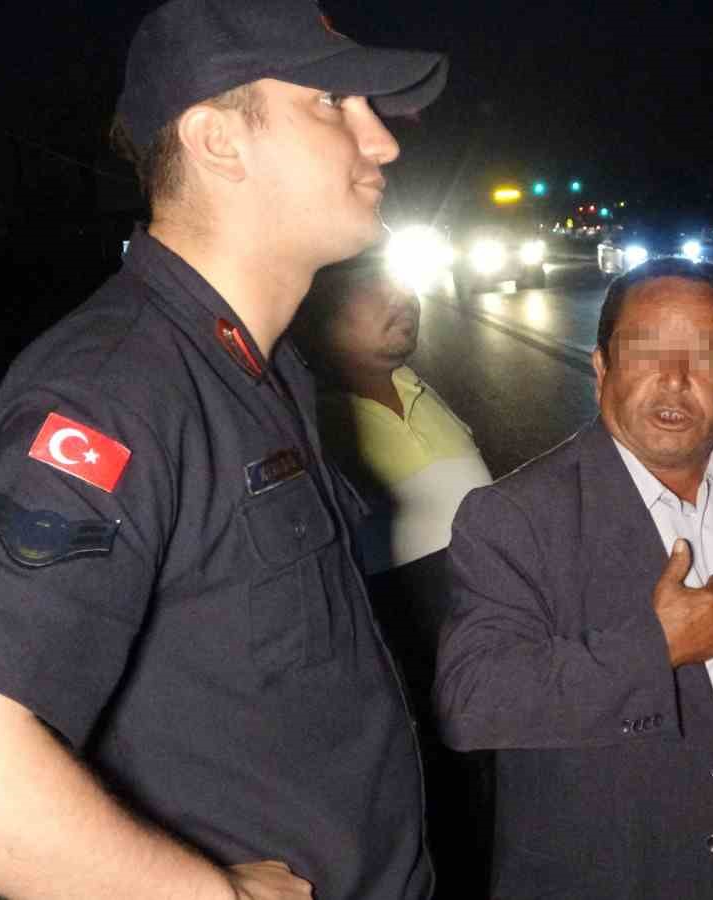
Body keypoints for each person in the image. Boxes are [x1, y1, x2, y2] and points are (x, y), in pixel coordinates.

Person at [0, 2, 448, 898]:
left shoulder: (262, 365)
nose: (384, 141)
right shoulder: (120, 386)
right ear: (218, 140)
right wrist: (213, 894)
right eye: (332, 103)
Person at [435, 256, 713, 899]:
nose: (675, 379)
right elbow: (471, 702)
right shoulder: (516, 515)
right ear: (601, 368)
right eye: (646, 350)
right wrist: (654, 647)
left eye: (706, 357)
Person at [290, 255, 495, 896]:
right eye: (372, 291)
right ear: (316, 315)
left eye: (403, 285)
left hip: (493, 660)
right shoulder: (307, 424)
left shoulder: (421, 390)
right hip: (414, 684)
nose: (400, 299)